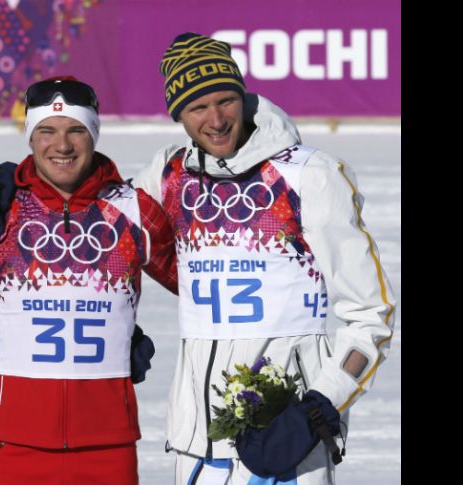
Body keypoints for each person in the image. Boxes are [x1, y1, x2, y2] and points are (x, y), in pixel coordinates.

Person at [132, 33, 397, 484]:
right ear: (178, 115)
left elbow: (373, 315)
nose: (215, 119)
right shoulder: (168, 174)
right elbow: (101, 235)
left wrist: (321, 405)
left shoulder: (308, 175)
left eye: (225, 101)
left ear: (243, 96)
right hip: (197, 444)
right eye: (197, 108)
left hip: (288, 439)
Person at [0, 77, 178, 484]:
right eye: (47, 131)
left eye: (76, 129)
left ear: (93, 134)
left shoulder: (133, 211)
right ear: (30, 138)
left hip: (107, 444)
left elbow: (197, 279)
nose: (62, 145)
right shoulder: (0, 210)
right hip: (14, 442)